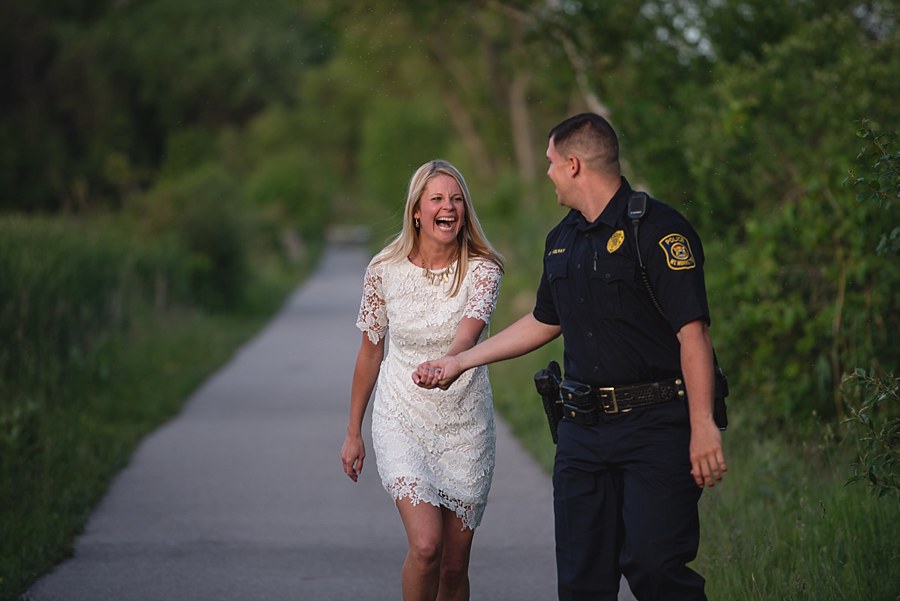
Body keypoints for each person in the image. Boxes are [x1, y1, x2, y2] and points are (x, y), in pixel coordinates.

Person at [413, 113, 727, 601]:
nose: (548, 172)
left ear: (574, 165)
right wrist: (461, 361)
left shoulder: (659, 231)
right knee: (582, 581)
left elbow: (694, 333)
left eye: (552, 162)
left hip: (656, 428)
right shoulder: (561, 240)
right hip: (582, 434)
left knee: (654, 567)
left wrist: (703, 424)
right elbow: (544, 320)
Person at [341, 159, 504, 601]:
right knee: (427, 546)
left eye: (456, 200)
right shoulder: (384, 270)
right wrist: (353, 431)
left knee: (454, 568)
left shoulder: (483, 270)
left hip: (466, 426)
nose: (448, 207)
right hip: (402, 417)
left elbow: (469, 332)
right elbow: (370, 350)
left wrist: (449, 362)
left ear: (464, 212)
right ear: (417, 211)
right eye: (437, 199)